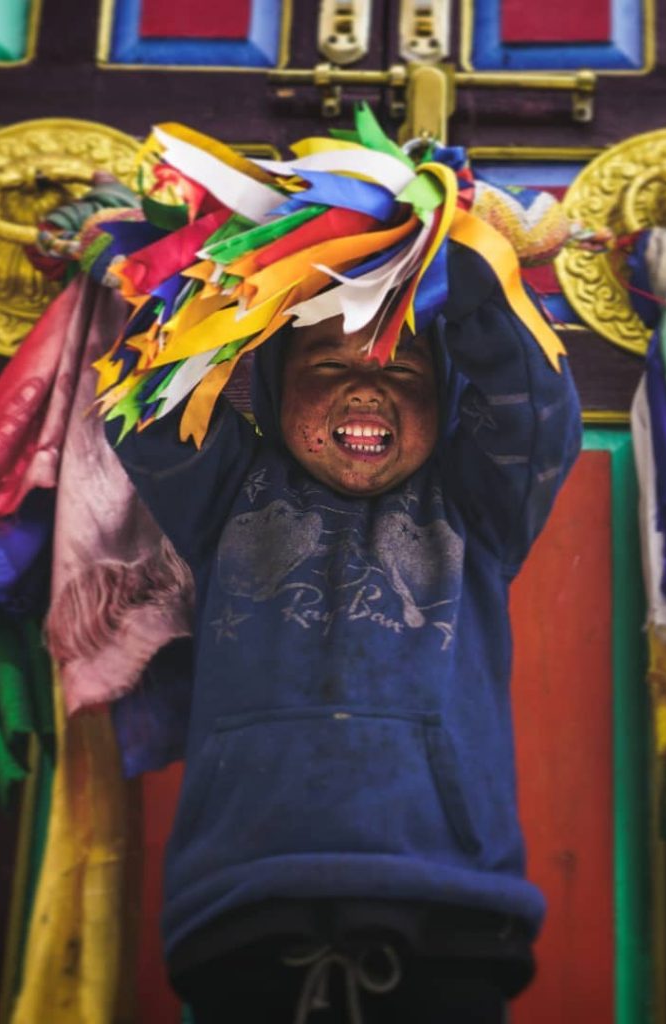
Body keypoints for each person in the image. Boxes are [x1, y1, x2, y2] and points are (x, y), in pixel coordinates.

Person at [109, 240, 582, 1023]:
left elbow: (536, 401)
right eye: (326, 368)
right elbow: (152, 392)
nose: (366, 388)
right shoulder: (222, 492)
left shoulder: (481, 504)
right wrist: (191, 251)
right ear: (271, 389)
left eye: (403, 371)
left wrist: (452, 249)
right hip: (241, 906)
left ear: (449, 400)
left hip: (451, 908)